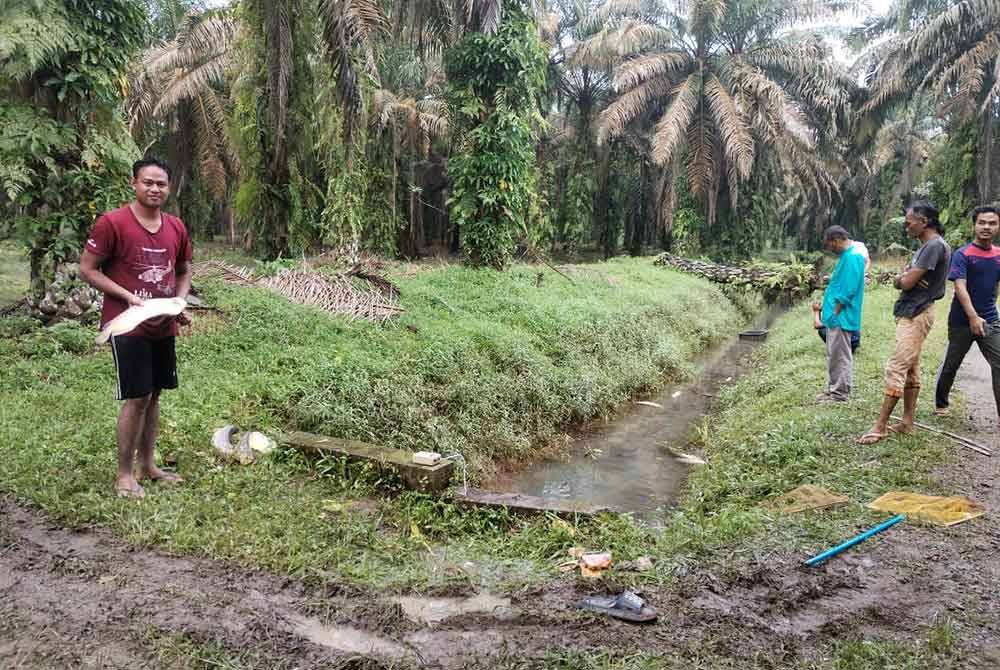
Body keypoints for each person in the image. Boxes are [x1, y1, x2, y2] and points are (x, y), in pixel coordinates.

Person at [79, 158, 193, 498]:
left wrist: (180, 303)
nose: (154, 189)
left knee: (154, 394)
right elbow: (88, 269)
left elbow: (184, 269)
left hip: (163, 324)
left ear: (169, 188)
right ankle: (125, 475)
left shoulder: (176, 227)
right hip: (127, 324)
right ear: (134, 183)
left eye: (161, 184)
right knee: (137, 396)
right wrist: (128, 297)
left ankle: (149, 465)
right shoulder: (112, 223)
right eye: (148, 182)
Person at [858, 201, 951, 444]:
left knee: (896, 367)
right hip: (913, 310)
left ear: (925, 221)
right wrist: (905, 276)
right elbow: (908, 277)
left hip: (917, 313)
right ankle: (907, 423)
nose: (906, 226)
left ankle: (880, 426)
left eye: (909, 222)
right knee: (911, 368)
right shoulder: (926, 246)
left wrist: (902, 278)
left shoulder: (933, 246)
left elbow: (906, 282)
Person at [934, 205, 1000, 424]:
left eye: (992, 223)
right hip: (962, 320)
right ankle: (941, 403)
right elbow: (960, 288)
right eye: (982, 222)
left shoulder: (998, 255)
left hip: (990, 319)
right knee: (952, 364)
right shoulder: (963, 254)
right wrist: (972, 317)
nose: (987, 227)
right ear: (974, 225)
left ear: (998, 227)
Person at [814, 226, 867, 402]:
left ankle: (839, 393)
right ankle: (833, 389)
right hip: (835, 316)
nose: (831, 249)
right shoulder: (849, 255)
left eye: (831, 245)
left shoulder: (853, 257)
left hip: (841, 316)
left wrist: (836, 311)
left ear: (837, 239)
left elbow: (848, 289)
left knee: (840, 356)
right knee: (834, 354)